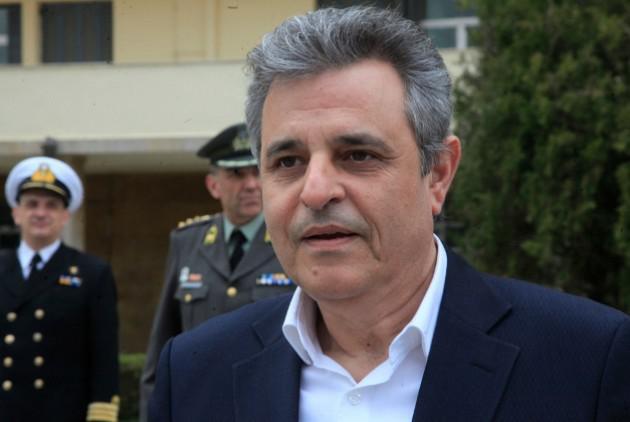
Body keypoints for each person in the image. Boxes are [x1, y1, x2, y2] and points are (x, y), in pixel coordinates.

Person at [149, 7, 630, 421]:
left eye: (358, 155)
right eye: (288, 162)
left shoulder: (587, 361)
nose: (315, 191)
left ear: (438, 174)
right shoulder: (194, 372)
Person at [139, 123, 293, 421]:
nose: (251, 184)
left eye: (256, 172)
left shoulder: (290, 239)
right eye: (237, 174)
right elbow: (162, 340)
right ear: (213, 185)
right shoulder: (187, 241)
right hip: (199, 402)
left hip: (265, 402)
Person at [0, 156, 119, 422]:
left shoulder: (92, 273)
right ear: (16, 213)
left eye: (51, 205)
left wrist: (101, 415)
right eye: (32, 204)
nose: (40, 213)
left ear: (66, 215)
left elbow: (104, 356)